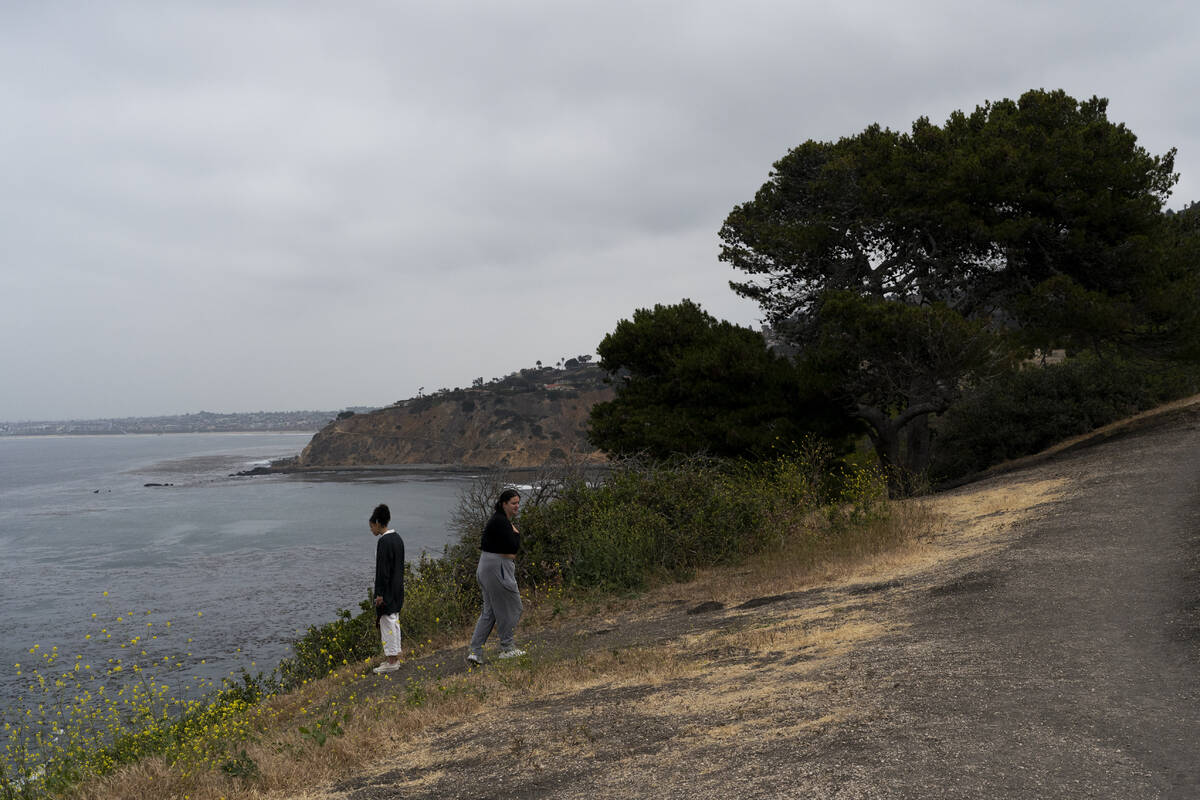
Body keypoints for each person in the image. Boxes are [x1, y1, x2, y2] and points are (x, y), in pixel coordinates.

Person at [466, 489, 525, 665]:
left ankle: (475, 652)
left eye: (518, 503)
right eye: (513, 503)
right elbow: (513, 549)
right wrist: (516, 533)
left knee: (489, 612)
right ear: (503, 504)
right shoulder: (501, 522)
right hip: (497, 569)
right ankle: (507, 647)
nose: (517, 506)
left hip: (486, 567)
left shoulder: (498, 520)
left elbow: (506, 550)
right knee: (514, 606)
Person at [369, 503, 404, 674]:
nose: (371, 530)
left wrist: (379, 594)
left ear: (377, 522)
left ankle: (391, 661)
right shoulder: (397, 538)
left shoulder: (383, 542)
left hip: (387, 590)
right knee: (394, 622)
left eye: (371, 526)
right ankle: (394, 657)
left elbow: (382, 571)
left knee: (387, 623)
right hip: (398, 588)